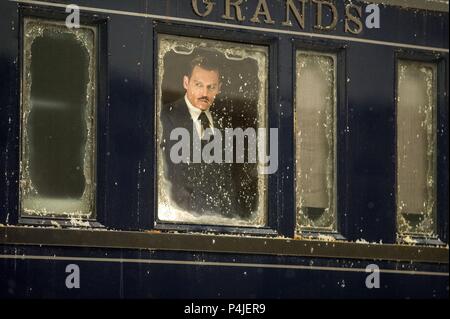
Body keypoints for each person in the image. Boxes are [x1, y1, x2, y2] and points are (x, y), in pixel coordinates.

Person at [160, 52, 240, 218]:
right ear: (186, 82)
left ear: (219, 88)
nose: (205, 93)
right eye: (198, 85)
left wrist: (232, 221)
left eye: (211, 87)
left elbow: (227, 183)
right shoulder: (165, 117)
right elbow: (165, 179)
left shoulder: (223, 123)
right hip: (180, 223)